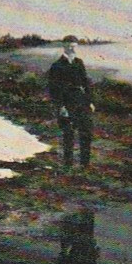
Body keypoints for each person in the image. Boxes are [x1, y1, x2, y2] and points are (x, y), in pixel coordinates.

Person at [47, 36, 94, 168]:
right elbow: (53, 88)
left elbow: (85, 83)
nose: (72, 49)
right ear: (64, 46)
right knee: (68, 134)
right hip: (66, 102)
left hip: (81, 101)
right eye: (69, 46)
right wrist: (61, 106)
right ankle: (68, 165)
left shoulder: (79, 62)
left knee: (86, 132)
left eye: (74, 46)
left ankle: (85, 164)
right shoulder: (57, 65)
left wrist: (90, 101)